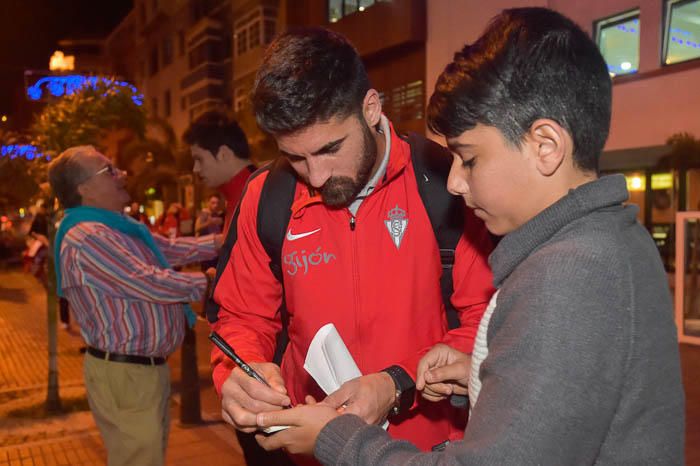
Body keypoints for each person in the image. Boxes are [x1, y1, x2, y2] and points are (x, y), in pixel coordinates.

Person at [252, 8, 686, 465]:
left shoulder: (567, 276)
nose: (455, 182)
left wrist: (337, 438)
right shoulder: (614, 241)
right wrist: (483, 377)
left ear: (546, 146)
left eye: (470, 158)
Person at [210, 27, 494, 464]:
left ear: (371, 108)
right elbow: (243, 315)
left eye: (329, 149)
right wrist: (238, 372)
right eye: (296, 158)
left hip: (424, 452)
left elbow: (490, 321)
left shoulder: (445, 184)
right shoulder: (267, 196)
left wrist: (396, 384)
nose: (317, 177)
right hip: (309, 451)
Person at [48, 145, 221, 466]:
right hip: (127, 375)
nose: (121, 175)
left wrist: (218, 242)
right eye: (109, 171)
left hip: (139, 372)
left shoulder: (113, 228)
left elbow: (165, 249)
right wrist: (209, 285)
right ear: (83, 189)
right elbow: (146, 280)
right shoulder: (87, 236)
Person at [183, 111, 256, 235]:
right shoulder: (240, 194)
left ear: (223, 154)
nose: (196, 169)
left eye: (199, 159)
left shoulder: (255, 197)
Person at [195, 194, 225, 271]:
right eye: (213, 203)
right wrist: (209, 222)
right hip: (206, 246)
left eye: (217, 203)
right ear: (208, 203)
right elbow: (197, 228)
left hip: (216, 247)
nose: (215, 205)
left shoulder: (218, 214)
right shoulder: (204, 213)